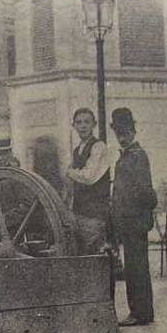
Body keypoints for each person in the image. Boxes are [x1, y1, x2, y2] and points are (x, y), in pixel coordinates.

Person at [110, 108, 157, 327]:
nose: (123, 136)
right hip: (128, 220)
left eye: (126, 132)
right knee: (134, 267)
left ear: (133, 132)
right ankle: (140, 311)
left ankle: (139, 313)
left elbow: (145, 191)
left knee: (136, 268)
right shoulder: (128, 155)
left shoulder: (137, 156)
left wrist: (138, 213)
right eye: (119, 132)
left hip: (135, 221)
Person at [65, 107, 111, 254]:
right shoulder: (77, 150)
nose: (83, 126)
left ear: (94, 124)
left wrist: (69, 172)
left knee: (95, 257)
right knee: (82, 256)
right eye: (79, 122)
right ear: (74, 126)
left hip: (94, 215)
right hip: (78, 214)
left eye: (87, 122)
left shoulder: (99, 147)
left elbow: (89, 176)